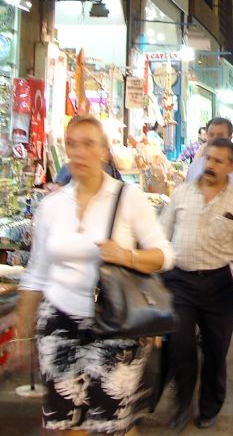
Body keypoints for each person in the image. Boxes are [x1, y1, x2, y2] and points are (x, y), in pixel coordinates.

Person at [16, 115, 174, 435]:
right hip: (59, 322)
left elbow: (165, 256)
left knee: (109, 425)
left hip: (114, 323)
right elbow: (36, 273)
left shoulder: (127, 198)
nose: (78, 152)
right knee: (65, 424)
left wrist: (127, 255)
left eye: (88, 144)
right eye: (71, 144)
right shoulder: (52, 205)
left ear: (103, 151)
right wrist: (23, 328)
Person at [160, 138, 233, 432]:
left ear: (231, 167)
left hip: (220, 286)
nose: (210, 165)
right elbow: (161, 235)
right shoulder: (181, 194)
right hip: (180, 282)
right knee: (180, 346)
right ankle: (182, 405)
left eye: (218, 161)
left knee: (216, 351)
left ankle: (209, 407)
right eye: (208, 159)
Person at [186, 117, 233, 210]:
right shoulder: (194, 167)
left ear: (230, 137)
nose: (215, 139)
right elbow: (185, 200)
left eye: (220, 135)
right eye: (211, 135)